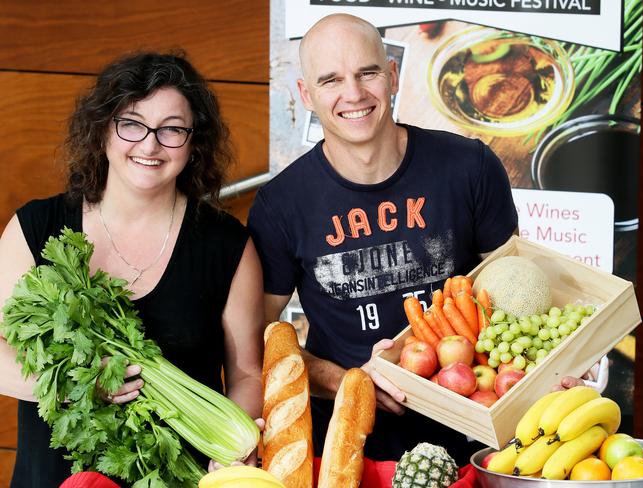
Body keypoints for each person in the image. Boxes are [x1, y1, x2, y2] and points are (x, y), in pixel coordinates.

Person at [247, 13, 519, 464]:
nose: (353, 95)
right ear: (306, 95)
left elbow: (517, 292)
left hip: (475, 428)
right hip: (348, 444)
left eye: (367, 73)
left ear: (392, 75)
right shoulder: (281, 205)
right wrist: (347, 381)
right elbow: (260, 335)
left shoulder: (470, 168)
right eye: (331, 80)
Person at [0, 52, 264, 486]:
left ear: (194, 142)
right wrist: (77, 387)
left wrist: (236, 448)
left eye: (172, 129)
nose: (149, 145)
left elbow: (247, 373)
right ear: (103, 129)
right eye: (132, 123)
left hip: (181, 476)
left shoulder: (228, 246)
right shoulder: (35, 227)